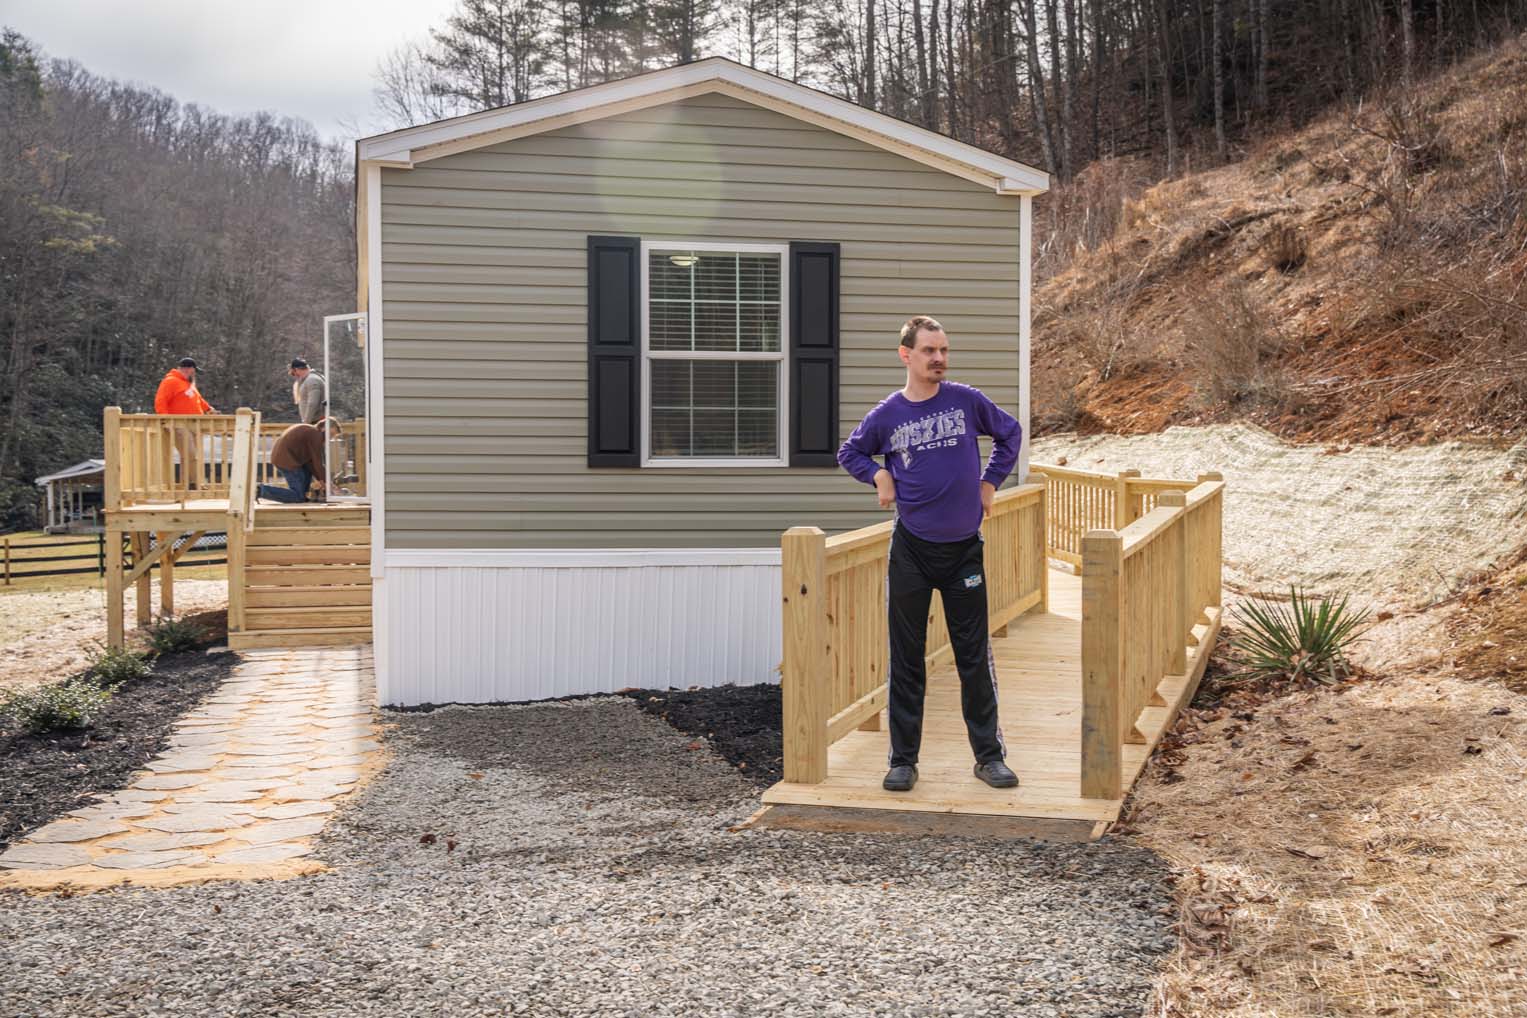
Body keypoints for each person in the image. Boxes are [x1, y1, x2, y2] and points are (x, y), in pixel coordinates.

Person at [837, 316, 1024, 793]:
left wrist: (989, 482)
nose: (939, 358)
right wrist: (878, 476)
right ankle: (903, 761)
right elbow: (850, 453)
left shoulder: (966, 401)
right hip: (912, 552)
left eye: (943, 350)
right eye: (929, 351)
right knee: (907, 658)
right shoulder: (887, 415)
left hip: (963, 551)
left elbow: (1010, 434)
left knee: (973, 659)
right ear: (906, 355)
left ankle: (989, 757)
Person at [154, 357, 216, 489]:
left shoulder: (188, 384)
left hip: (194, 424)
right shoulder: (170, 381)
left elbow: (198, 399)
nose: (194, 374)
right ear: (187, 369)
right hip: (178, 424)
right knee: (190, 454)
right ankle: (193, 484)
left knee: (194, 456)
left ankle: (190, 483)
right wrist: (166, 420)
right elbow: (160, 401)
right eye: (193, 371)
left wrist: (209, 409)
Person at [257, 419, 339, 504]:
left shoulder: (311, 431)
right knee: (298, 497)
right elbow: (317, 461)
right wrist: (327, 483)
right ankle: (260, 490)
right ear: (324, 428)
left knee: (303, 493)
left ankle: (305, 496)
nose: (330, 438)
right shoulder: (315, 434)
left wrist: (323, 480)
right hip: (287, 461)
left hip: (287, 459)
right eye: (331, 434)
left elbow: (311, 463)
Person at [289, 357, 327, 425]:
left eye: (293, 373)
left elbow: (313, 403)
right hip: (313, 421)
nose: (295, 376)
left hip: (315, 422)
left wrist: (306, 422)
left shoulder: (312, 380)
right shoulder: (309, 379)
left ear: (297, 370)